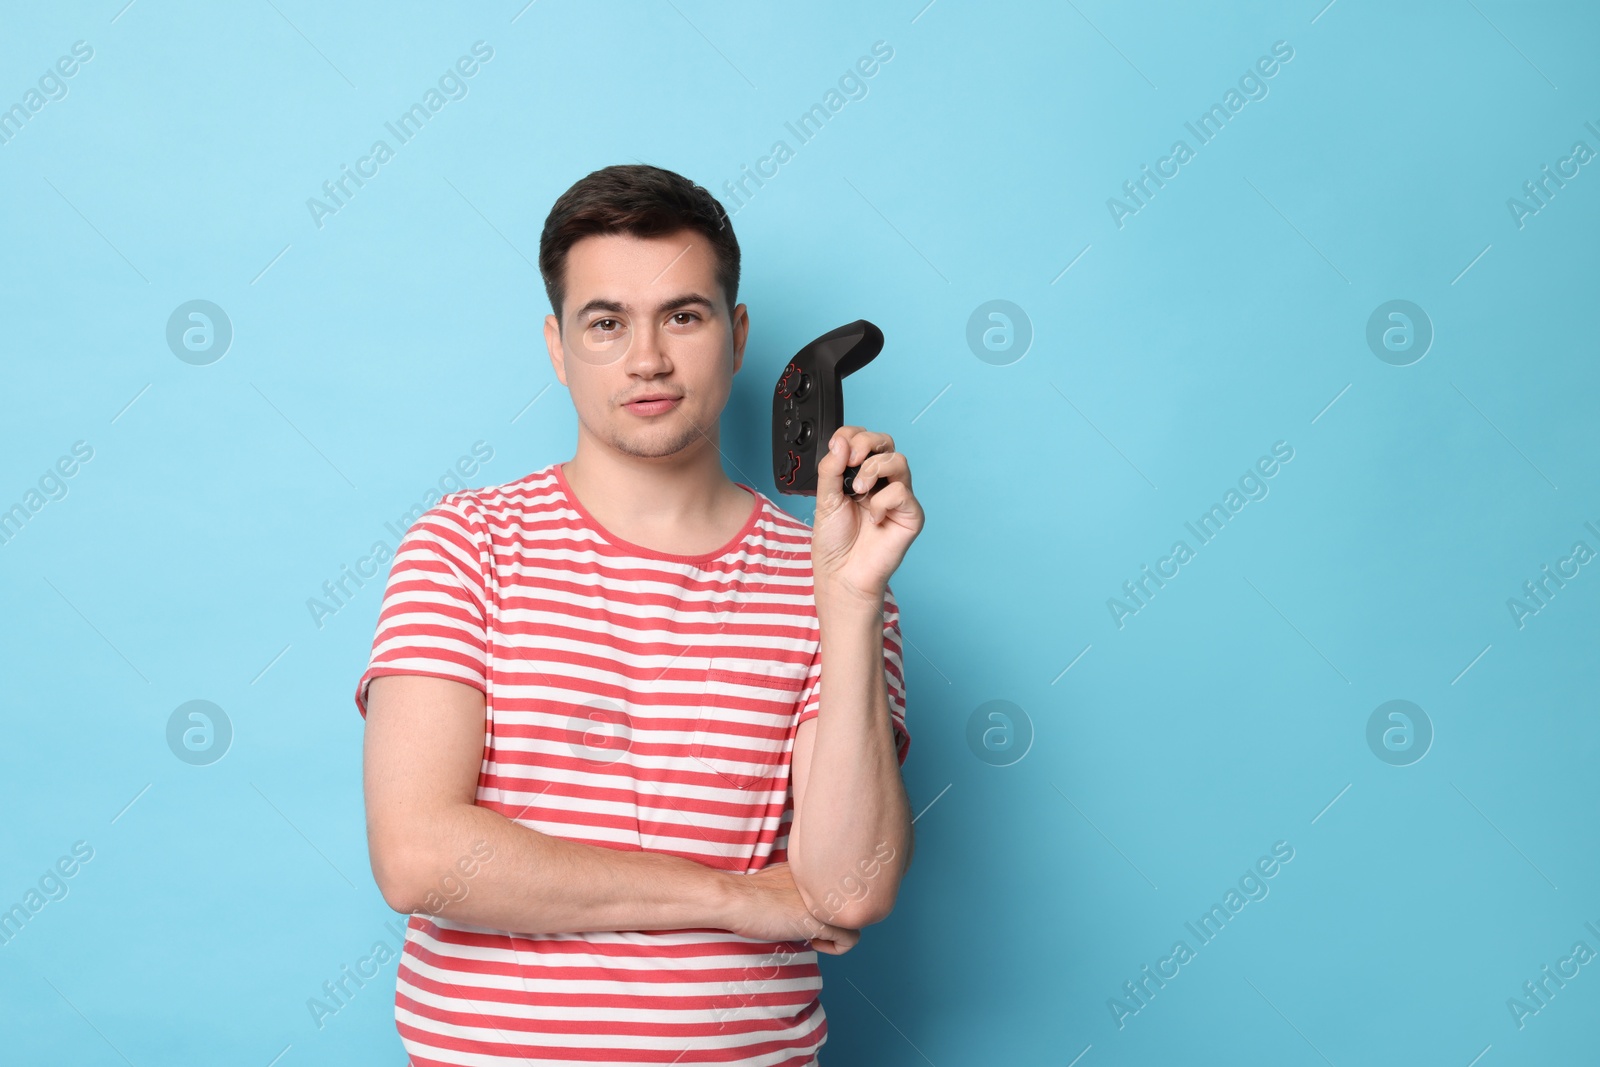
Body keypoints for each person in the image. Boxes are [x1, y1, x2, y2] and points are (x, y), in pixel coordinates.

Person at [354, 163, 925, 1066]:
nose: (647, 358)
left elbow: (848, 889)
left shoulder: (836, 576)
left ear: (737, 337)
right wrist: (739, 897)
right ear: (558, 345)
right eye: (606, 322)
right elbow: (420, 856)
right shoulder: (465, 544)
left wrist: (848, 602)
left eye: (683, 316)